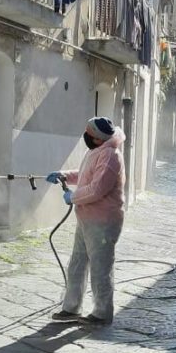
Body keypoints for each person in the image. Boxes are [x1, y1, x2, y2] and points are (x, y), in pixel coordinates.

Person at [46, 117, 126, 325]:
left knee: (100, 268)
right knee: (77, 264)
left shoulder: (111, 157)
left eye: (89, 134)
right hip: (86, 219)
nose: (85, 136)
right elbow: (84, 175)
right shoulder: (95, 151)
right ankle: (71, 308)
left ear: (98, 138)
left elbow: (97, 189)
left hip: (103, 222)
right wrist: (64, 175)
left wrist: (72, 197)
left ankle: (101, 313)